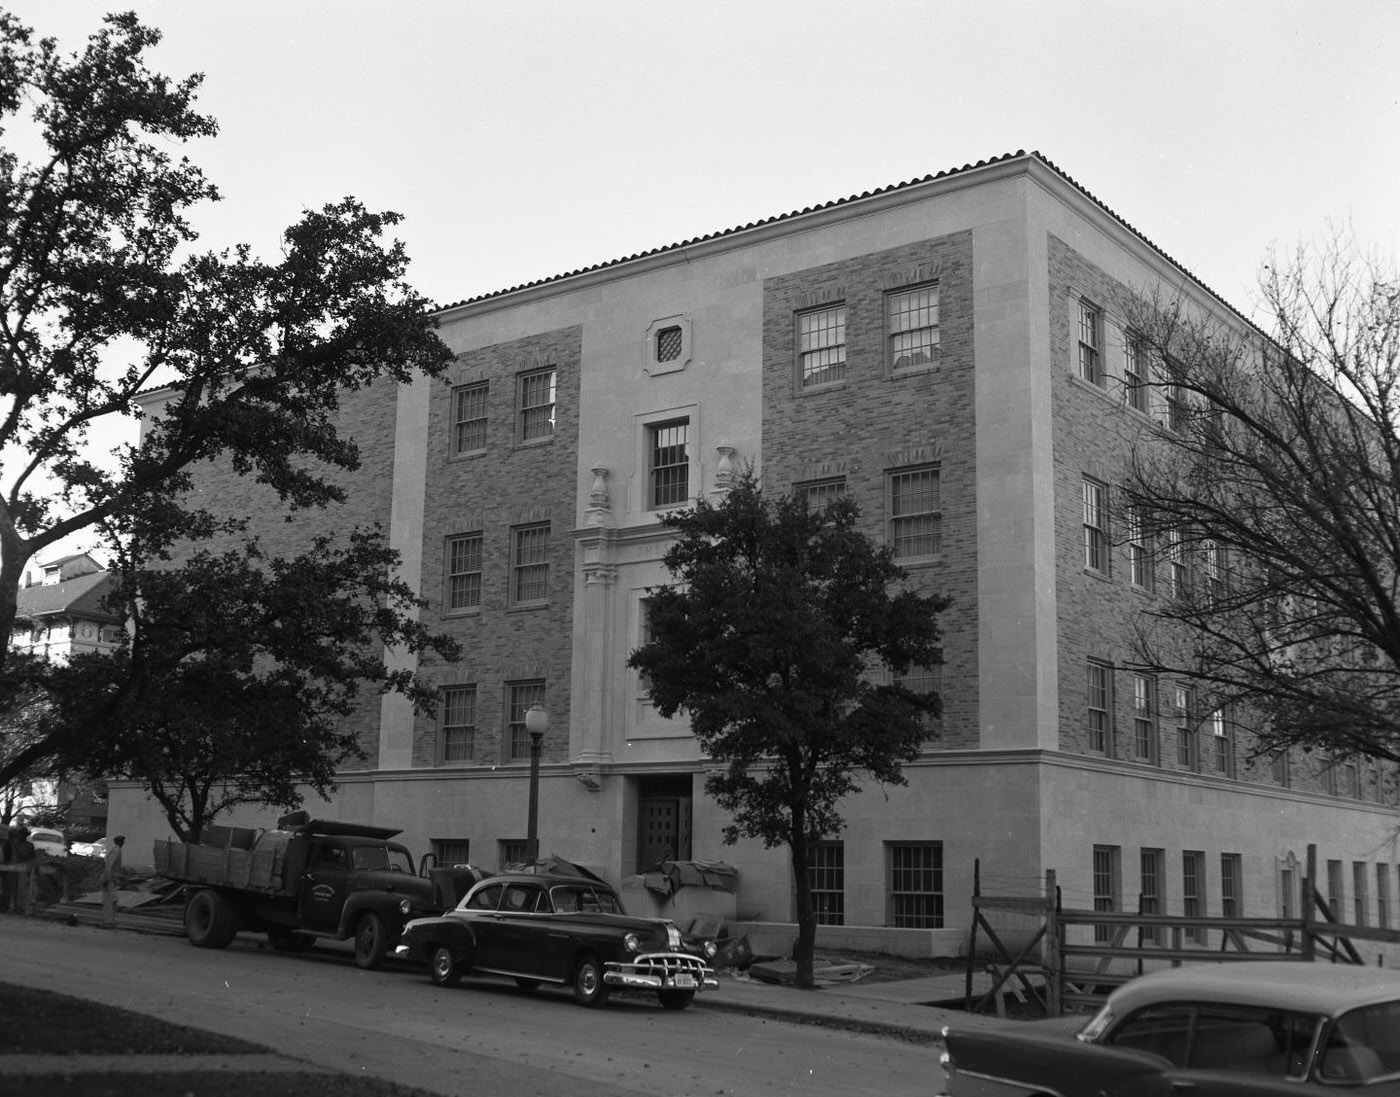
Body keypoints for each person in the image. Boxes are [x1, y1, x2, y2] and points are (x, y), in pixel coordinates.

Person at [101, 835, 126, 927]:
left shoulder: (115, 849)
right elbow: (109, 865)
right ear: (120, 842)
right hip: (109, 878)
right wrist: (107, 879)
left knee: (113, 900)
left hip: (111, 878)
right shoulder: (116, 850)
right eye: (122, 841)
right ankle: (107, 922)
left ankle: (110, 921)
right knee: (110, 901)